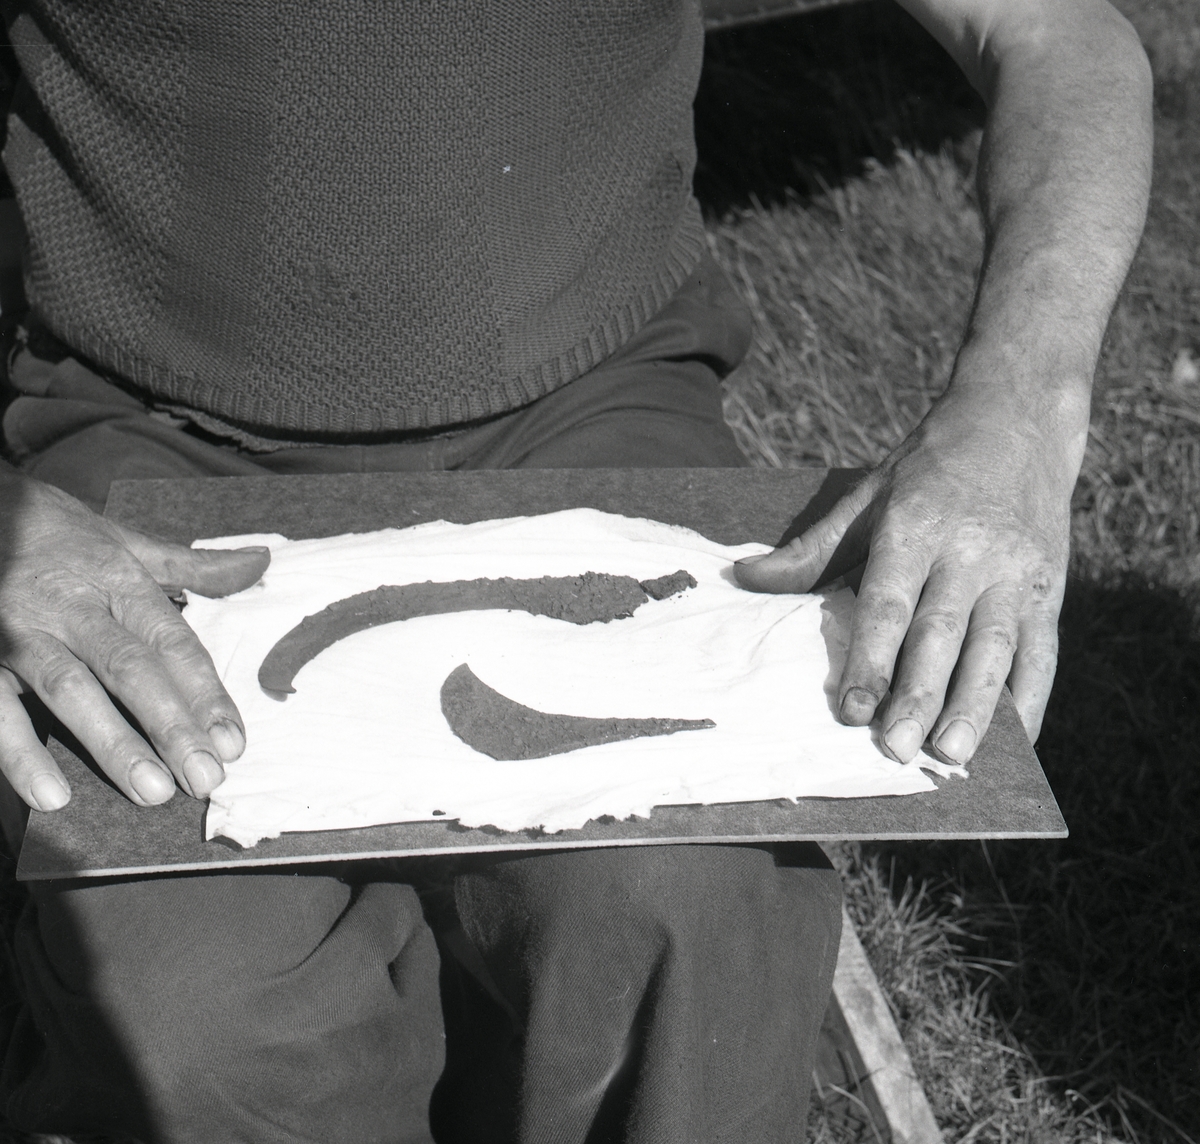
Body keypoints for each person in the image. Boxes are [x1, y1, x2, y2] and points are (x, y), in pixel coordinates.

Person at [0, 0, 1152, 1140]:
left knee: (690, 918)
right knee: (192, 1011)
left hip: (585, 400)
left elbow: (1056, 36)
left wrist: (1019, 407)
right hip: (151, 435)